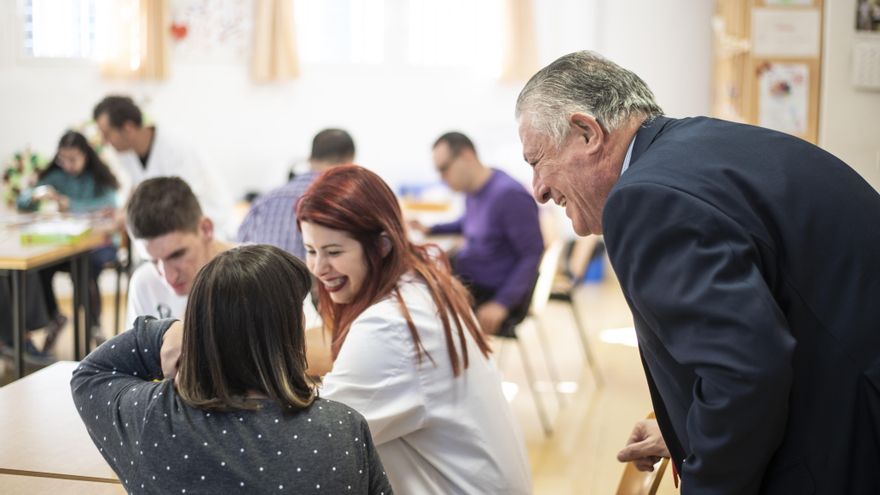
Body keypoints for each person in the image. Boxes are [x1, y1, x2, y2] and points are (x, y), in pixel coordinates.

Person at [516, 50, 880, 493]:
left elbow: (743, 376)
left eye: (536, 160)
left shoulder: (645, 200)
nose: (538, 190)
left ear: (587, 133)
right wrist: (684, 431)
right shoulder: (698, 147)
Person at [71, 244, 393, 493]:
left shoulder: (153, 419)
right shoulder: (342, 430)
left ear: (198, 329)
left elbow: (91, 374)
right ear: (292, 328)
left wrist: (164, 332)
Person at [297, 165, 531, 494]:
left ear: (381, 246)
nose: (319, 268)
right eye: (310, 251)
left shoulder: (390, 325)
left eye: (334, 252)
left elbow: (314, 446)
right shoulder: (421, 284)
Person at [410, 132, 543, 336]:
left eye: (444, 169)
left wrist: (502, 303)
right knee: (414, 285)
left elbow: (532, 254)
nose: (442, 178)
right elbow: (468, 222)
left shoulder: (509, 195)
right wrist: (431, 229)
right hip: (470, 278)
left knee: (415, 305)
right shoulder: (475, 190)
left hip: (489, 292)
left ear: (467, 156)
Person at [17, 130, 120, 351]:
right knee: (40, 267)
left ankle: (94, 326)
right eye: (62, 159)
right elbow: (23, 202)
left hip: (99, 244)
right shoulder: (56, 177)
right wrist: (35, 195)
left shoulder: (99, 177)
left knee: (85, 268)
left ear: (85, 155)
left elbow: (110, 207)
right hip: (66, 246)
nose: (67, 165)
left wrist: (69, 204)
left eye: (73, 159)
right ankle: (55, 316)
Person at [92, 95, 233, 237]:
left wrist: (128, 217)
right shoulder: (126, 153)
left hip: (207, 226)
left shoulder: (176, 147)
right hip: (168, 229)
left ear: (128, 128)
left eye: (107, 134)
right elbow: (137, 187)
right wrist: (122, 212)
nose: (104, 141)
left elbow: (182, 201)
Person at [124, 177, 233, 329]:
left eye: (177, 255)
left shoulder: (256, 276)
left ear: (205, 229)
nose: (169, 278)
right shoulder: (145, 284)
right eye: (153, 261)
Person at [237, 128, 355, 260]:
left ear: (310, 159)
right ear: (349, 162)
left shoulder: (265, 200)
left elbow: (239, 252)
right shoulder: (343, 202)